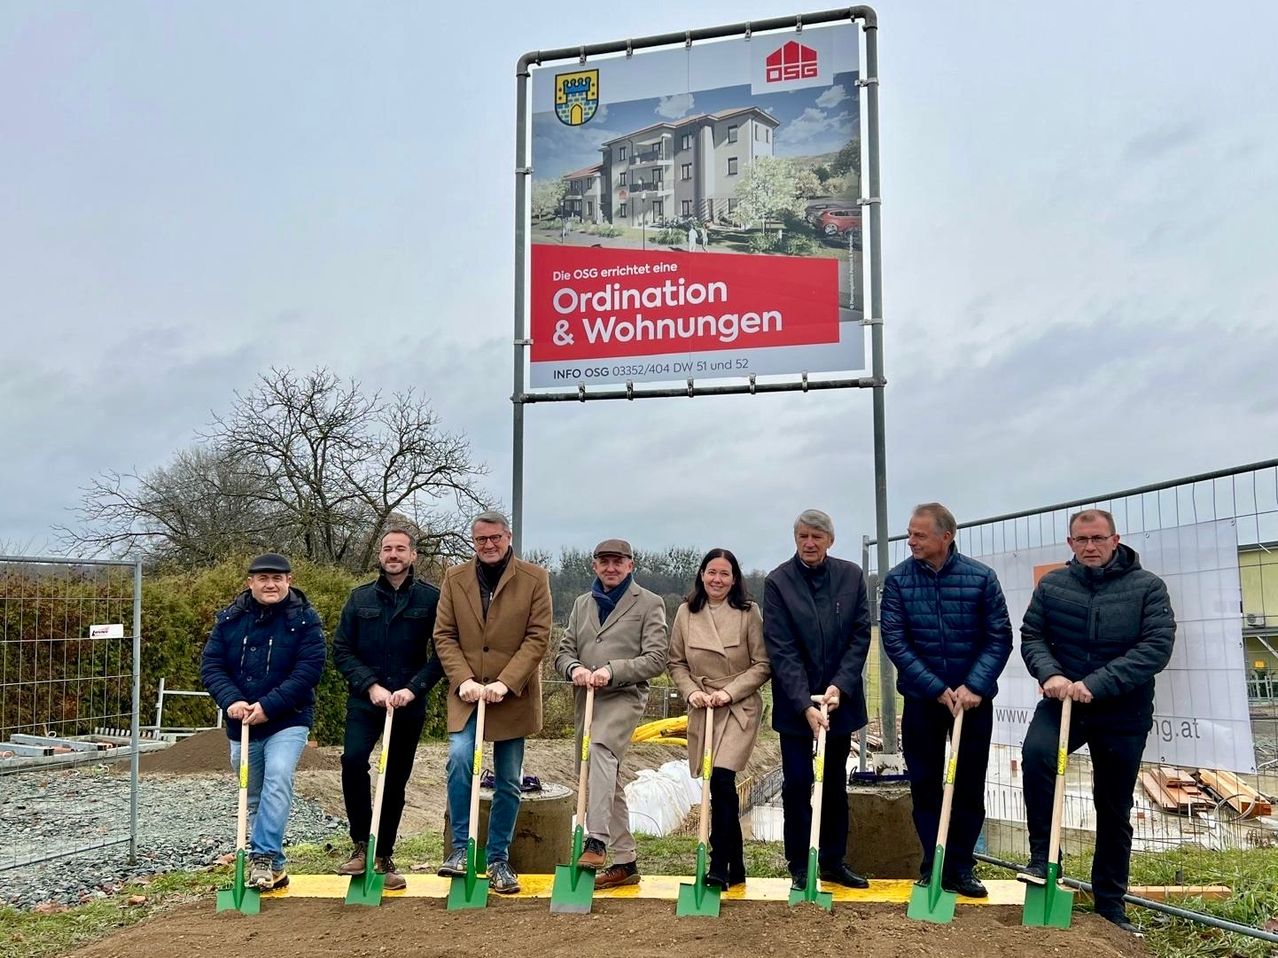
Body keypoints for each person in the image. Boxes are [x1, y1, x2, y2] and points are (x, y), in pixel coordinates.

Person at [1019, 508, 1175, 935]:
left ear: (1114, 539)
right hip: (1063, 702)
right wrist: (1049, 673)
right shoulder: (1053, 586)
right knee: (1037, 758)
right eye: (1081, 540)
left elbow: (1156, 647)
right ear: (1070, 544)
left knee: (1113, 805)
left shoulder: (1147, 588)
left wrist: (1098, 683)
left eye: (1097, 539)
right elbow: (1032, 635)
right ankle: (1042, 858)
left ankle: (1109, 902)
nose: (1090, 547)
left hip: (1122, 710)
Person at [880, 503, 1012, 898]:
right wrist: (936, 687)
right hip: (923, 702)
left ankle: (961, 866)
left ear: (946, 536)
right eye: (910, 533)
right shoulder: (899, 581)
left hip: (972, 703)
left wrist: (974, 686)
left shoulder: (981, 579)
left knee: (969, 787)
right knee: (925, 785)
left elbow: (998, 637)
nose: (911, 541)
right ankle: (931, 864)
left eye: (919, 535)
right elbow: (895, 641)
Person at [433, 511, 552, 894]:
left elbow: (537, 637)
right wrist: (462, 679)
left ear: (508, 537)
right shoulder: (454, 578)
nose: (488, 545)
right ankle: (459, 850)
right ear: (473, 541)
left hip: (511, 695)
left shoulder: (535, 578)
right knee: (460, 759)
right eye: (481, 539)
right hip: (467, 692)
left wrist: (506, 682)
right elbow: (444, 634)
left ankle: (498, 857)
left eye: (495, 538)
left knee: (508, 779)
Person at [200, 553, 326, 891]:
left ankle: (263, 856)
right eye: (263, 578)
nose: (270, 584)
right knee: (251, 794)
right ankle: (273, 868)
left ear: (289, 580)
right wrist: (232, 701)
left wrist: (269, 706)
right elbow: (212, 666)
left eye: (278, 578)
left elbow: (309, 670)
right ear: (250, 582)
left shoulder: (306, 621)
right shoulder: (229, 620)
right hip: (242, 723)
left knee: (278, 778)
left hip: (288, 719)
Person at [763, 509, 872, 891]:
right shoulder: (778, 582)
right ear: (795, 539)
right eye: (803, 537)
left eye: (817, 537)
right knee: (797, 783)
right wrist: (804, 704)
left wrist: (840, 686)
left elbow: (860, 635)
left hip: (838, 702)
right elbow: (781, 647)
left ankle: (831, 860)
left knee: (834, 782)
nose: (809, 544)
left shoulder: (851, 576)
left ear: (830, 540)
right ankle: (798, 863)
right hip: (797, 705)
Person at [332, 529, 444, 892]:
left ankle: (384, 854)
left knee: (395, 777)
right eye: (387, 549)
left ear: (413, 556)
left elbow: (443, 652)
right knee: (353, 762)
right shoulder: (359, 597)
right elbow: (342, 650)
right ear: (379, 556)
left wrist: (414, 689)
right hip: (366, 701)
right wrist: (371, 686)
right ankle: (362, 844)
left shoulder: (431, 599)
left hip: (409, 704)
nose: (393, 554)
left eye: (400, 549)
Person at [554, 538, 668, 888]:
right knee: (599, 775)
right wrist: (573, 668)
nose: (611, 568)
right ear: (594, 566)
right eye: (604, 562)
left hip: (623, 694)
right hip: (585, 697)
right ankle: (626, 862)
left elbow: (656, 657)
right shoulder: (580, 604)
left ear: (630, 565)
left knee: (600, 750)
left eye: (618, 562)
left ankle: (596, 840)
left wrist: (612, 670)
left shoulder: (649, 603)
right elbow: (563, 651)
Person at [667, 548, 770, 889]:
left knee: (723, 779)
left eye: (725, 574)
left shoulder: (749, 613)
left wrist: (730, 692)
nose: (717, 579)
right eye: (712, 572)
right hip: (703, 706)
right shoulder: (686, 613)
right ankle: (737, 866)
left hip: (738, 708)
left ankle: (718, 865)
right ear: (701, 574)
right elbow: (676, 662)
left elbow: (762, 664)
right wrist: (691, 692)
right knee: (716, 785)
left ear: (734, 579)